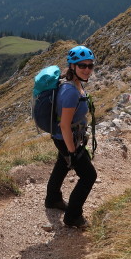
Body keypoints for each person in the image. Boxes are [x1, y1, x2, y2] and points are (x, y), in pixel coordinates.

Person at [44, 45, 97, 228]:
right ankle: (73, 217)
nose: (87, 69)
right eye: (82, 65)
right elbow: (64, 125)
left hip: (66, 137)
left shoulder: (75, 83)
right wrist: (73, 151)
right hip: (67, 138)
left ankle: (52, 199)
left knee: (62, 163)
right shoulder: (70, 92)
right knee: (89, 176)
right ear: (72, 66)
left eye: (90, 66)